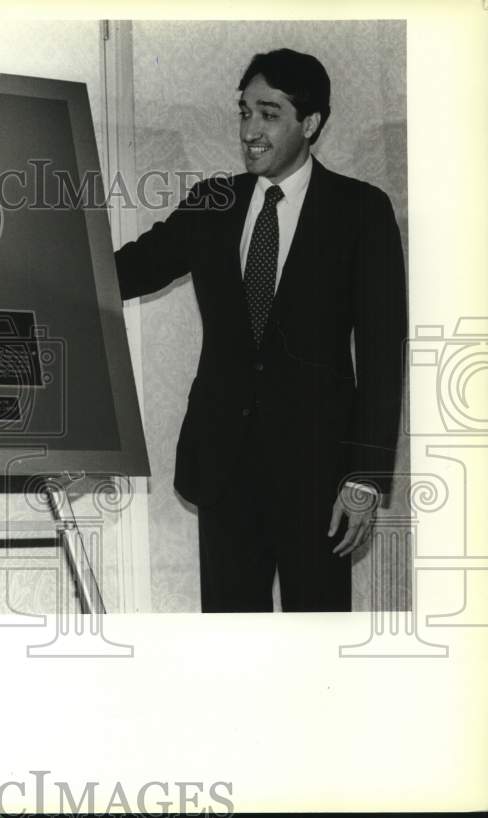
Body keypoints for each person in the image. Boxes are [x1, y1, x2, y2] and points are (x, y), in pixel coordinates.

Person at [115, 49, 406, 612]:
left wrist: (364, 478)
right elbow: (127, 271)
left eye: (269, 113)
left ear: (311, 123)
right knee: (230, 650)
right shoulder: (213, 202)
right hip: (223, 472)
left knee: (315, 649)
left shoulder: (361, 211)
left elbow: (381, 355)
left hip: (319, 483)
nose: (250, 129)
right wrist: (34, 260)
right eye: (244, 111)